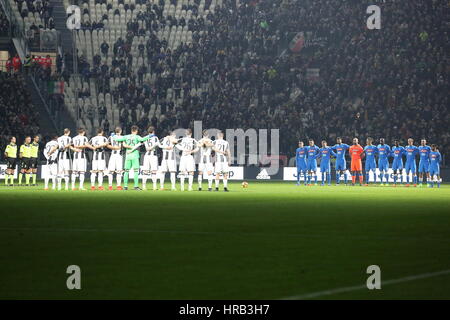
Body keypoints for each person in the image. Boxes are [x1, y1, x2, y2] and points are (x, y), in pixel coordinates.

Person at [113, 125, 151, 190]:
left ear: (131, 130)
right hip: (135, 155)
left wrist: (113, 135)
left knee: (126, 171)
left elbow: (117, 139)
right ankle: (136, 186)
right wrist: (149, 136)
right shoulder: (137, 136)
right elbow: (142, 139)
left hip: (128, 155)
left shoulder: (126, 136)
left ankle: (125, 186)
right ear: (136, 131)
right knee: (136, 171)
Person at [142, 126, 160, 191]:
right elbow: (158, 146)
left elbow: (147, 148)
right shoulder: (156, 138)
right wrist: (155, 145)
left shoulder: (146, 138)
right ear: (154, 131)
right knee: (154, 171)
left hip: (147, 156)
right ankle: (154, 186)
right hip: (153, 156)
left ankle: (144, 186)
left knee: (145, 172)